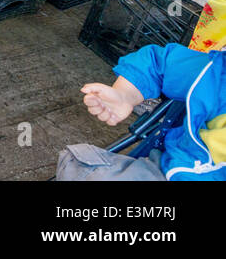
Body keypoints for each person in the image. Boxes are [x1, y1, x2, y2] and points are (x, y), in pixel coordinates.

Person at [56, 39, 225, 181]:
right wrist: (125, 94)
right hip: (172, 166)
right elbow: (159, 63)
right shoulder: (216, 75)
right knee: (80, 169)